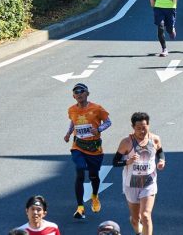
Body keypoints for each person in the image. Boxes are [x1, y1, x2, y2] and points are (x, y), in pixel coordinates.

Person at [64, 82, 111, 219]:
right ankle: (80, 207)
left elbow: (108, 122)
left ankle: (94, 196)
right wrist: (68, 133)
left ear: (87, 94)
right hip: (78, 146)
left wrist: (99, 129)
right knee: (79, 170)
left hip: (94, 148)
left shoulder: (97, 108)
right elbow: (73, 122)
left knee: (93, 176)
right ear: (73, 96)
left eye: (81, 91)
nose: (79, 94)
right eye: (76, 92)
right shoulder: (71, 110)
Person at [113, 112, 165, 235]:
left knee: (146, 215)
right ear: (133, 127)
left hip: (149, 182)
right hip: (132, 183)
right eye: (138, 128)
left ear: (148, 125)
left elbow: (160, 152)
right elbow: (115, 162)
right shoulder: (126, 142)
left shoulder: (155, 139)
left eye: (144, 127)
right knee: (135, 219)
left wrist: (162, 160)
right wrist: (128, 161)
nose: (142, 131)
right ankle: (139, 232)